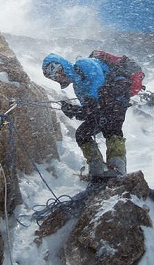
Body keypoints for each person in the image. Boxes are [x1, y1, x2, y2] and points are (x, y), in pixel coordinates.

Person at [42, 52, 131, 181]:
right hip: (106, 104)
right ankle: (97, 170)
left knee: (111, 130)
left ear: (63, 65)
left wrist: (92, 98)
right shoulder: (78, 87)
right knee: (82, 134)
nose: (59, 76)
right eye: (55, 77)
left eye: (58, 70)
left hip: (117, 97)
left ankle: (117, 170)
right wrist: (74, 111)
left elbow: (98, 78)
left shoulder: (83, 63)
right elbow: (89, 112)